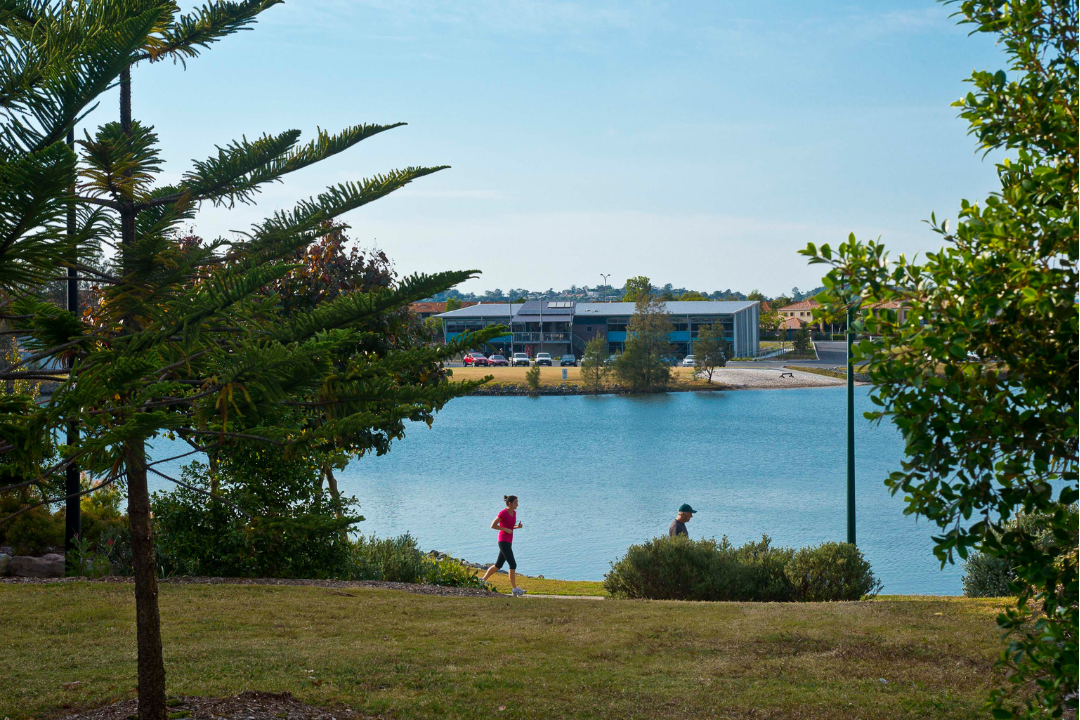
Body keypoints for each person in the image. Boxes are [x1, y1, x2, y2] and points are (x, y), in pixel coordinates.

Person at [481, 495, 525, 596]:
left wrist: (517, 527)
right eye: (516, 503)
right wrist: (505, 529)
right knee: (513, 564)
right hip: (503, 541)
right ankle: (515, 589)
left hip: (508, 541)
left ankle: (482, 580)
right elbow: (493, 525)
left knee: (498, 565)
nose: (517, 504)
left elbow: (510, 527)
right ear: (510, 503)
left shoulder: (514, 513)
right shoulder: (503, 513)